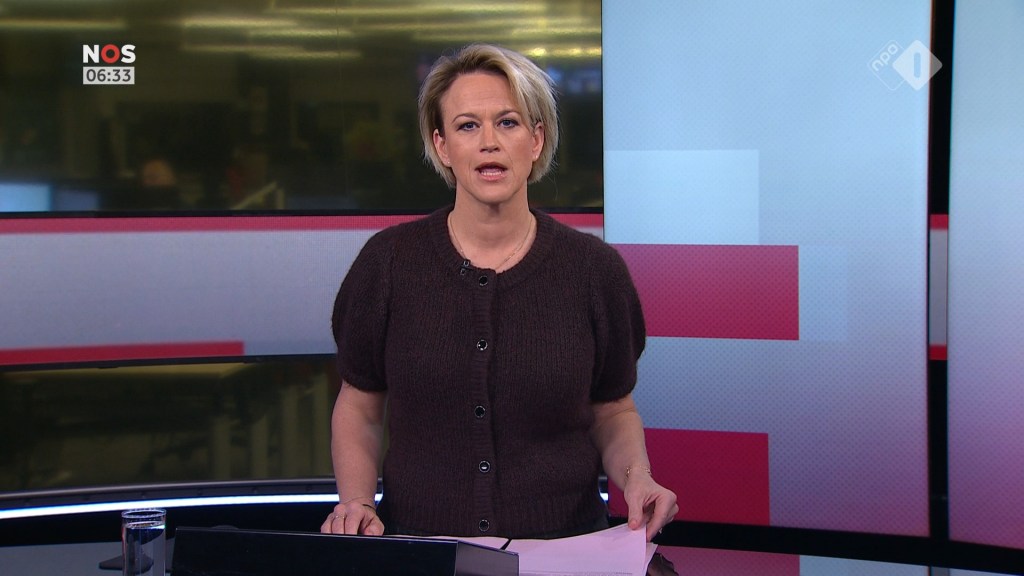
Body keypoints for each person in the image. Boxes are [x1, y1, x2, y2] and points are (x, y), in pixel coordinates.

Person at [320, 43, 678, 541]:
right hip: (422, 548)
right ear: (442, 146)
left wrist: (637, 477)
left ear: (536, 140)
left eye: (508, 123)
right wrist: (357, 501)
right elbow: (359, 407)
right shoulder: (388, 263)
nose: (489, 142)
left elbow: (613, 409)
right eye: (468, 126)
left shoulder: (594, 271)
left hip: (565, 549)